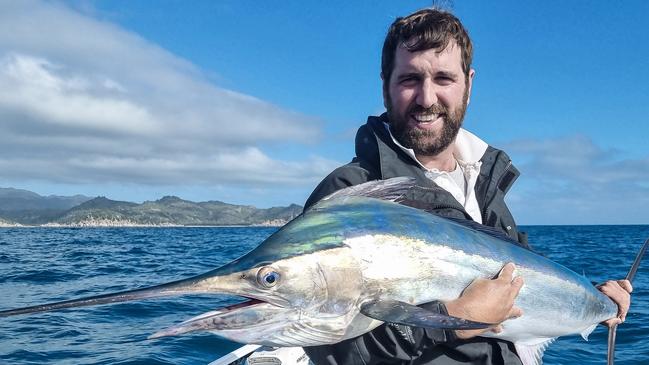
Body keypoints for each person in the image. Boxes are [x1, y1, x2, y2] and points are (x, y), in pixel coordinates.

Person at [302, 8, 632, 365]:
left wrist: (598, 300)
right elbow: (328, 346)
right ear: (385, 87)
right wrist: (451, 320)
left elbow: (528, 289)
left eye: (443, 78)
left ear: (468, 85)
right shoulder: (352, 193)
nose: (427, 98)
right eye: (410, 79)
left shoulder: (484, 184)